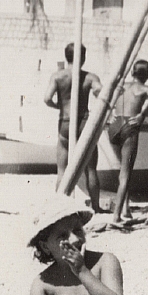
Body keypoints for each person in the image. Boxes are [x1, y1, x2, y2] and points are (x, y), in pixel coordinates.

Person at [45, 43, 105, 212]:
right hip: (84, 122)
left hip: (65, 121)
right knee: (91, 168)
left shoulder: (58, 76)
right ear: (83, 58)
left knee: (62, 169)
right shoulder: (90, 77)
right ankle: (95, 206)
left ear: (66, 57)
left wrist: (59, 106)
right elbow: (100, 91)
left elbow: (47, 98)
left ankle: (59, 206)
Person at [108, 60, 148, 225]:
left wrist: (110, 113)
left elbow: (108, 96)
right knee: (126, 173)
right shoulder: (145, 89)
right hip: (130, 125)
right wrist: (142, 114)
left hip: (114, 126)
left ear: (132, 73)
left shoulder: (122, 87)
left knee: (122, 171)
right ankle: (116, 215)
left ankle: (125, 209)